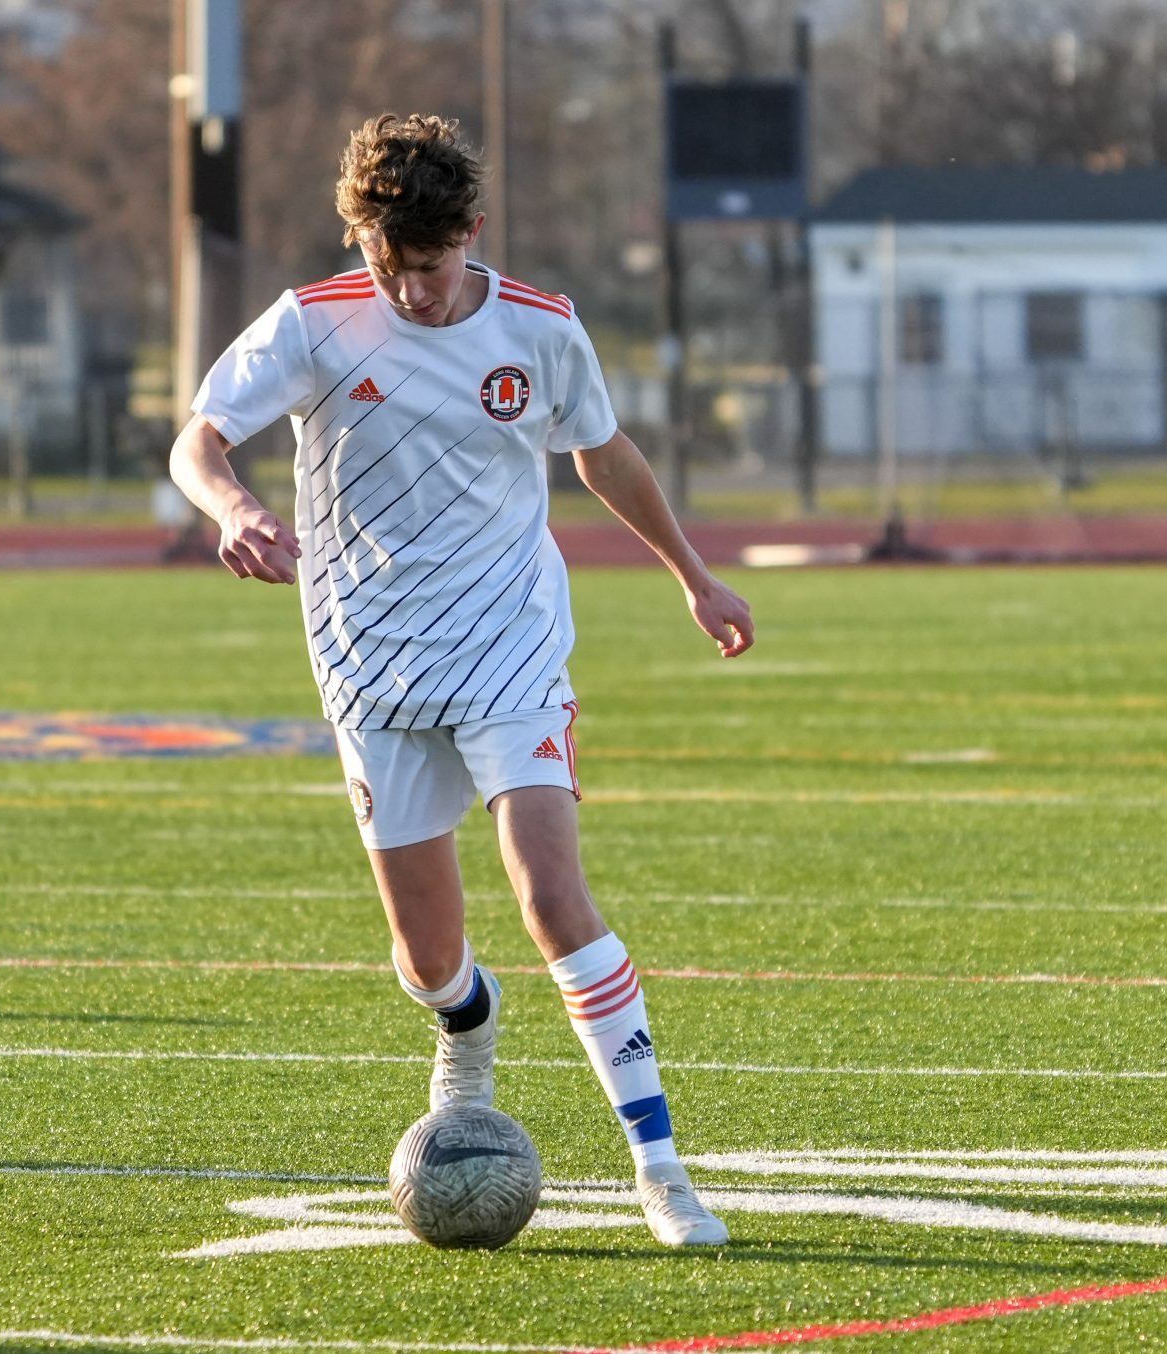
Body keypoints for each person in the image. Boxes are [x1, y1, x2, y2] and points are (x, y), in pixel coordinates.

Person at [168, 113, 752, 1246]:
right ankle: (464, 1033)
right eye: (390, 266)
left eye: (430, 269)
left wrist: (693, 573)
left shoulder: (539, 328)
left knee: (547, 893)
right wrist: (233, 505)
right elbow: (199, 439)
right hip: (366, 659)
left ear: (470, 234)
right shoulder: (312, 321)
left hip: (509, 647)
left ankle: (661, 1171)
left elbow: (601, 450)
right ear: (362, 240)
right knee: (430, 956)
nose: (414, 294)